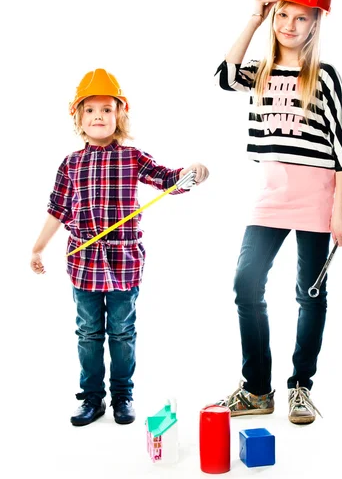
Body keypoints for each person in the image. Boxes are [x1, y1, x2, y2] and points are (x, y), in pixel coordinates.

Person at [213, 0, 342, 425]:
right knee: (245, 284)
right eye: (283, 15)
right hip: (270, 196)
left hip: (317, 197)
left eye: (301, 18)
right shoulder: (258, 73)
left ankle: (300, 388)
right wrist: (253, 18)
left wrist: (341, 209)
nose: (290, 26)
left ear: (316, 24)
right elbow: (223, 76)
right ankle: (257, 389)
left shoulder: (325, 77)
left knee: (310, 294)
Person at [30, 68, 209, 426]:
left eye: (107, 109)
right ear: (78, 117)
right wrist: (37, 248)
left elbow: (165, 179)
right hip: (83, 263)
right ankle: (92, 398)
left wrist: (190, 173)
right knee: (88, 333)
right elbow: (57, 210)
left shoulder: (131, 157)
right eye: (91, 109)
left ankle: (122, 396)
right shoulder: (70, 163)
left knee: (123, 332)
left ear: (119, 115)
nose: (99, 116)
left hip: (125, 262)